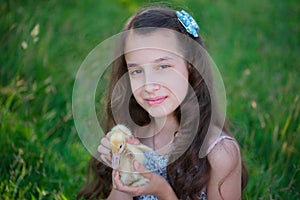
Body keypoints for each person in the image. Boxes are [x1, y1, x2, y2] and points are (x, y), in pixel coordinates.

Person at [77, 6, 248, 200]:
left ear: (191, 66)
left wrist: (162, 191)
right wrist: (122, 166)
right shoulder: (133, 138)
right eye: (136, 71)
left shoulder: (219, 153)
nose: (149, 85)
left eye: (163, 66)